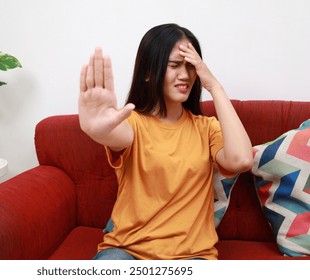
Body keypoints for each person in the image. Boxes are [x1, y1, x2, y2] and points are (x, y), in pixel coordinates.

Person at [78, 23, 253, 260]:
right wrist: (95, 130)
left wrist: (214, 86)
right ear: (149, 73)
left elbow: (241, 160)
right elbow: (115, 135)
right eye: (174, 65)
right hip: (128, 251)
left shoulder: (207, 128)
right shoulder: (133, 123)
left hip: (193, 256)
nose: (185, 74)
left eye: (191, 66)